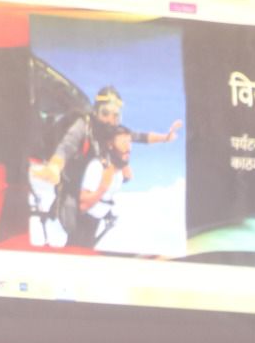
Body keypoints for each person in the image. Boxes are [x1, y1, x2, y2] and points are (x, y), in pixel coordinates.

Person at [28, 86, 180, 248]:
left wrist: (165, 137)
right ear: (96, 111)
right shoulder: (84, 125)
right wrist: (54, 166)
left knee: (85, 238)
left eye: (115, 115)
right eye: (105, 113)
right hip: (73, 190)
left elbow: (140, 137)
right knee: (74, 232)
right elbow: (68, 145)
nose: (110, 120)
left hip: (94, 196)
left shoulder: (115, 132)